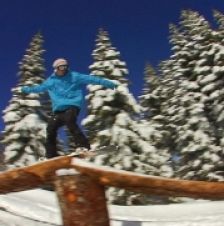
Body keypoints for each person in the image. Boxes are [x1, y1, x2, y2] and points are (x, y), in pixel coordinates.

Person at [21, 58, 117, 158]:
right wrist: (26, 89)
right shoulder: (51, 81)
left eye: (66, 67)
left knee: (70, 121)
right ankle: (50, 155)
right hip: (58, 110)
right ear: (56, 68)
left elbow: (91, 79)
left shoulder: (74, 76)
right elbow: (38, 88)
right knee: (50, 129)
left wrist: (108, 83)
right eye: (61, 67)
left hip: (72, 105)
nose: (64, 69)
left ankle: (83, 146)